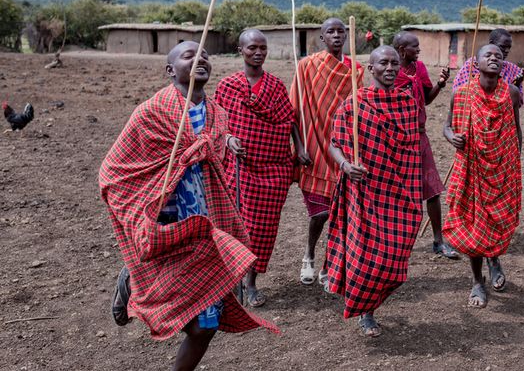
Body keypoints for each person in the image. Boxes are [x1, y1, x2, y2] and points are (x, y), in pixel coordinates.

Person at [100, 42, 275, 371]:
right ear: (170, 71)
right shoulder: (151, 113)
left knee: (205, 326)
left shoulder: (217, 114)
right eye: (189, 56)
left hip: (204, 226)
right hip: (166, 226)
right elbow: (113, 170)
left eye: (206, 55)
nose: (200, 59)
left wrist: (219, 146)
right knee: (172, 303)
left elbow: (216, 166)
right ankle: (133, 282)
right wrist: (152, 195)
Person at [326, 46, 423, 337]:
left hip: (400, 191)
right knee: (368, 255)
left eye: (395, 63)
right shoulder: (355, 104)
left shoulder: (407, 103)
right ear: (371, 69)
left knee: (395, 254)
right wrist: (345, 165)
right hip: (365, 190)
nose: (391, 67)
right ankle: (366, 311)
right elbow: (333, 144)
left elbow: (411, 150)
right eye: (384, 63)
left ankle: (370, 301)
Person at [215, 29, 311, 307]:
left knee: (263, 228)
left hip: (273, 169)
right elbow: (217, 122)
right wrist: (229, 138)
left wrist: (300, 147)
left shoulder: (276, 86)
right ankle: (231, 281)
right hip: (238, 167)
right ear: (240, 50)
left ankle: (251, 281)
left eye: (262, 48)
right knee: (235, 226)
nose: (258, 53)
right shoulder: (228, 86)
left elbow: (289, 119)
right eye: (252, 48)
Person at [443, 43, 522, 308]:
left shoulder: (511, 93)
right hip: (471, 167)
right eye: (488, 55)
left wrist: (516, 163)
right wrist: (452, 136)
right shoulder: (462, 93)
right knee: (473, 225)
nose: (494, 59)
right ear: (475, 64)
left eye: (499, 56)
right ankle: (477, 281)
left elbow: (516, 129)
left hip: (502, 168)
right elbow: (446, 126)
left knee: (495, 223)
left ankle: (494, 260)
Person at [289, 18, 364, 288]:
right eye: (330, 32)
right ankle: (308, 255)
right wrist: (299, 146)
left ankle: (328, 265)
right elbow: (293, 109)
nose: (336, 35)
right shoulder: (306, 66)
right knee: (319, 212)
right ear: (321, 38)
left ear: (346, 36)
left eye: (340, 31)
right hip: (312, 146)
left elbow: (358, 110)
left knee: (340, 213)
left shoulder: (355, 70)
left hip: (342, 148)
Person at [393, 31, 458, 259]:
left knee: (432, 191)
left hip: (419, 138)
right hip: (396, 141)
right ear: (402, 50)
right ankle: (397, 243)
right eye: (414, 46)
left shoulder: (419, 69)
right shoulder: (391, 72)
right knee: (398, 193)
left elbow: (427, 100)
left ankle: (438, 241)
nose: (418, 50)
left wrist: (440, 84)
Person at [452, 28, 524, 101]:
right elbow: (460, 96)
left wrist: (516, 85)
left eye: (509, 47)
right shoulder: (472, 65)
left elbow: (516, 103)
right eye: (503, 47)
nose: (507, 50)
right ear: (491, 43)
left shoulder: (513, 70)